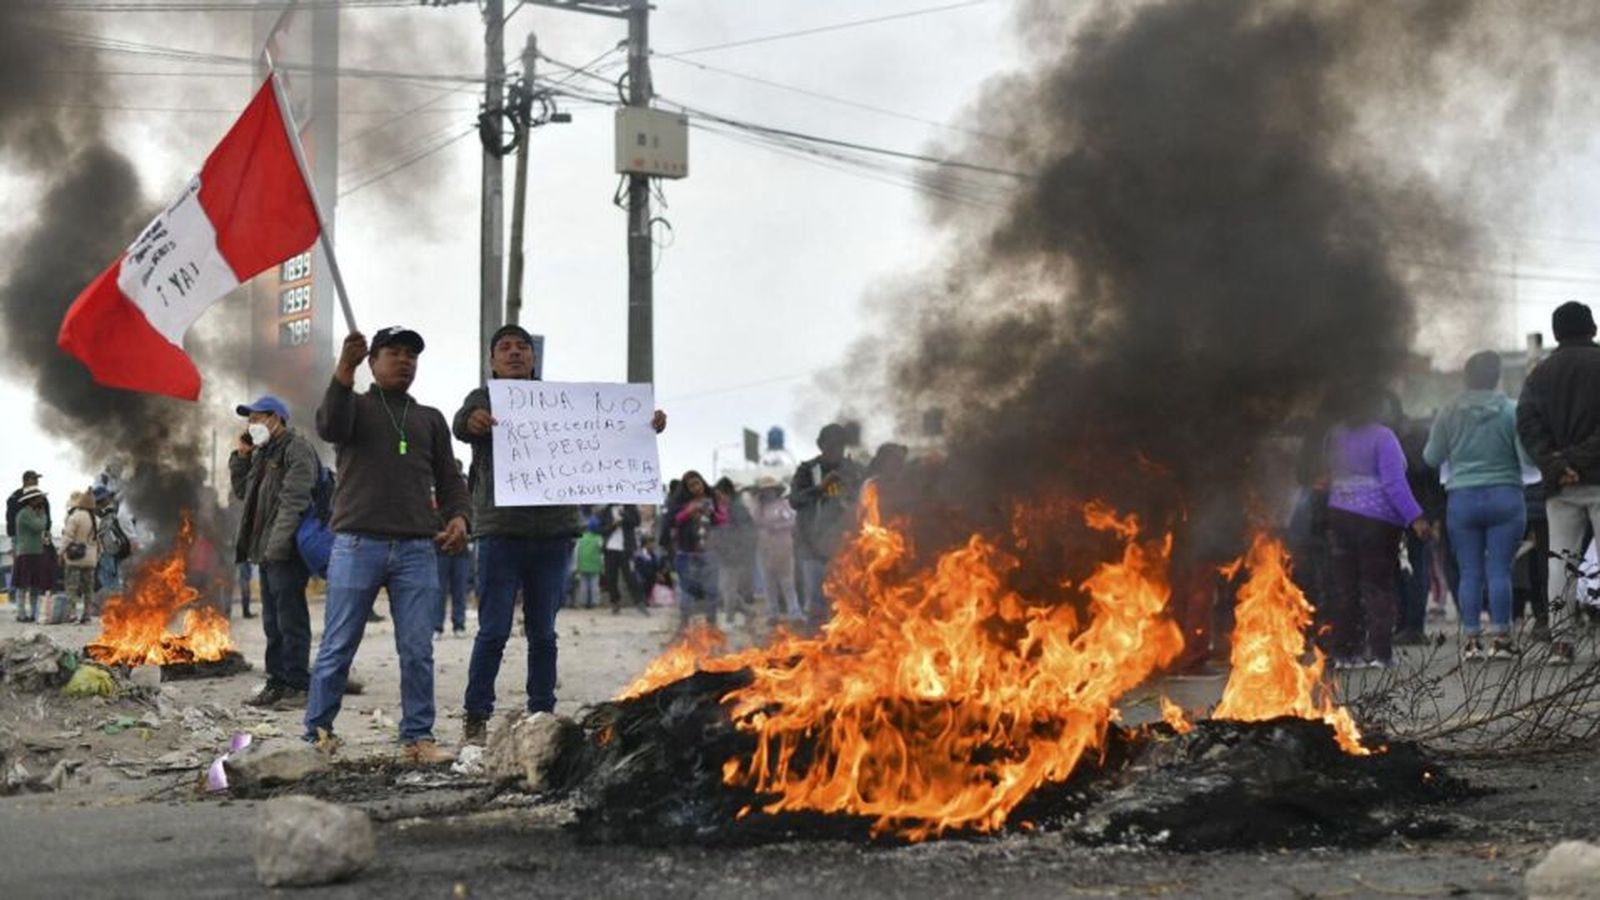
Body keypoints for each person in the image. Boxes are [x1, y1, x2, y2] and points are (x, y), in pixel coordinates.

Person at [453, 324, 666, 745]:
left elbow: (612, 433)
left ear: (533, 358)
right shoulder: (484, 399)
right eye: (505, 348)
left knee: (544, 634)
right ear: (492, 361)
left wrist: (645, 423)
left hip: (553, 535)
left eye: (522, 347)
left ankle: (542, 714)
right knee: (493, 631)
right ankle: (476, 717)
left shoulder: (561, 402)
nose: (514, 353)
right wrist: (472, 422)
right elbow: (461, 425)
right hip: (500, 534)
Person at [305, 328, 470, 764]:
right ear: (373, 361)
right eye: (393, 353)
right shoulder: (354, 407)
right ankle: (317, 733)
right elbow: (329, 424)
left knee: (418, 651)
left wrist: (459, 516)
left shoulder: (429, 419)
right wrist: (344, 369)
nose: (404, 361)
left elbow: (450, 479)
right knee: (338, 647)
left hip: (417, 549)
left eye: (411, 355)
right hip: (357, 544)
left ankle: (418, 737)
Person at [1424, 351, 1532, 660]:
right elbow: (1526, 458)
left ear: (1465, 377)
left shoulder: (1448, 411)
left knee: (1469, 571)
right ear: (1497, 377)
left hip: (1463, 498)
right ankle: (1502, 639)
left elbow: (1431, 457)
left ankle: (1471, 641)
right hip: (1505, 496)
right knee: (1500, 570)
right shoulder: (1512, 411)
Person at [1518, 301, 1600, 664]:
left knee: (1560, 564)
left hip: (1560, 487)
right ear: (1593, 328)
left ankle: (1561, 644)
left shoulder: (1539, 374)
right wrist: (1577, 461)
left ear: (1555, 333)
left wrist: (1556, 464)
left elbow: (1527, 425)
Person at [229, 394, 321, 710]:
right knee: (272, 621)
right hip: (266, 550)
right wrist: (241, 457)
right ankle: (277, 681)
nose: (251, 425)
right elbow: (243, 492)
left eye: (256, 418)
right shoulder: (262, 453)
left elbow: (295, 502)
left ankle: (298, 685)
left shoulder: (297, 449)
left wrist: (277, 546)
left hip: (286, 550)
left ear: (276, 418)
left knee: (290, 619)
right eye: (249, 420)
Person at [1325, 391, 1428, 668]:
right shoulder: (1383, 437)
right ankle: (1380, 652)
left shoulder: (1335, 435)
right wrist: (1415, 516)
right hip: (1377, 522)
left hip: (1339, 515)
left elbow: (1326, 474)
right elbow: (1394, 483)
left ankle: (1346, 652)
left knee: (1345, 587)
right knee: (1378, 586)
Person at [789, 424, 865, 625]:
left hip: (845, 550)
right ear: (820, 445)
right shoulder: (807, 470)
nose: (835, 451)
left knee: (847, 604)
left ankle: (842, 642)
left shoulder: (855, 471)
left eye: (839, 446)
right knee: (816, 606)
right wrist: (821, 489)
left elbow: (866, 501)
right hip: (812, 549)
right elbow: (795, 500)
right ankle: (815, 642)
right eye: (830, 446)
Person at [668, 470, 726, 630]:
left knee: (712, 591)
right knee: (687, 591)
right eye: (691, 486)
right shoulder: (680, 502)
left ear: (702, 482)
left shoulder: (713, 498)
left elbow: (724, 519)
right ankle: (684, 625)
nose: (696, 488)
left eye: (697, 483)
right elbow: (672, 521)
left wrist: (712, 513)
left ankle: (711, 625)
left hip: (710, 552)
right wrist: (689, 510)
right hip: (687, 553)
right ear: (686, 488)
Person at [752, 476, 802, 624]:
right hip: (764, 550)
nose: (768, 493)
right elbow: (755, 521)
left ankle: (794, 613)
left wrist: (776, 527)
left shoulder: (784, 505)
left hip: (783, 548)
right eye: (764, 491)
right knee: (769, 584)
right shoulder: (759, 507)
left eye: (770, 490)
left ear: (775, 491)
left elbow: (792, 521)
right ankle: (772, 614)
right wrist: (757, 503)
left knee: (787, 583)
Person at [711, 477, 758, 625]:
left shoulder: (738, 509)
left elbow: (748, 532)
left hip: (735, 555)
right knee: (724, 588)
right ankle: (748, 612)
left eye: (720, 495)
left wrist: (738, 550)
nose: (718, 498)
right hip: (723, 554)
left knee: (729, 588)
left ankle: (729, 620)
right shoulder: (720, 508)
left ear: (728, 493)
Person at [11, 486, 50, 623]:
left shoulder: (32, 513)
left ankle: (34, 613)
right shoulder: (24, 514)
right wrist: (44, 516)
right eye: (39, 498)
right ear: (31, 500)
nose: (41, 501)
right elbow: (38, 527)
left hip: (35, 552)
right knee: (22, 586)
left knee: (35, 586)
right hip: (26, 553)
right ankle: (21, 613)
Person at [598, 504, 646, 614]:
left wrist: (624, 516)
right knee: (611, 577)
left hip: (626, 548)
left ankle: (639, 602)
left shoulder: (630, 507)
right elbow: (601, 529)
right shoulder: (606, 510)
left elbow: (636, 522)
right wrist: (613, 525)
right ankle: (615, 602)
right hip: (610, 548)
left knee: (630, 576)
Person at [60, 489, 99, 624]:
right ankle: (87, 615)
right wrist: (97, 556)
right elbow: (99, 542)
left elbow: (68, 538)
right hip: (91, 559)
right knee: (88, 589)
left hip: (75, 558)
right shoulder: (97, 520)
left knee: (71, 587)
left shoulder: (75, 517)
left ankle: (72, 614)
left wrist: (60, 553)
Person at [574, 524, 603, 609]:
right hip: (595, 565)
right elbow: (601, 553)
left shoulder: (581, 538)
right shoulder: (598, 538)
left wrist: (577, 565)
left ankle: (583, 602)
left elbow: (577, 551)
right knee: (594, 585)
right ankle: (594, 602)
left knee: (583, 585)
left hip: (582, 565)